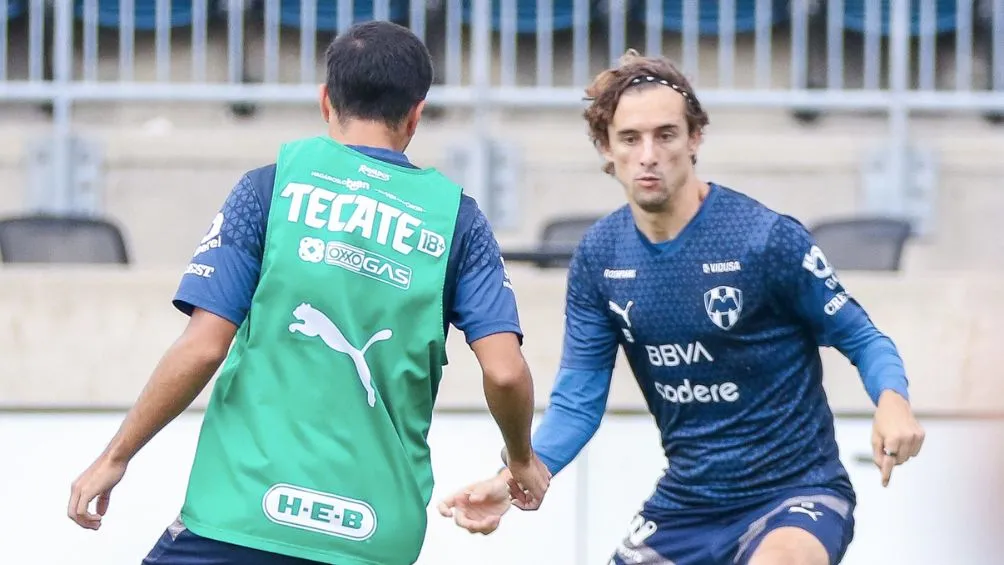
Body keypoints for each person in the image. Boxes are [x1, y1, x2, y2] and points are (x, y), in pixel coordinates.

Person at [66, 20, 550, 565]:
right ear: (416, 113)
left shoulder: (269, 190)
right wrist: (520, 457)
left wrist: (117, 455)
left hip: (241, 516)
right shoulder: (459, 221)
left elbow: (203, 345)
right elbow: (505, 371)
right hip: (373, 535)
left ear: (325, 100)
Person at [437, 49, 926, 565]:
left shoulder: (765, 239)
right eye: (630, 138)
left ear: (695, 139)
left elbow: (862, 337)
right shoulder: (600, 257)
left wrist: (893, 399)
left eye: (665, 135)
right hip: (688, 504)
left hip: (797, 493)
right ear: (606, 149)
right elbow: (579, 397)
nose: (648, 154)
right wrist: (519, 475)